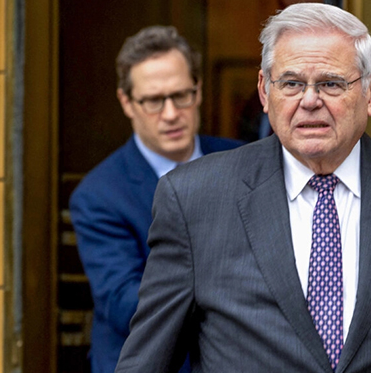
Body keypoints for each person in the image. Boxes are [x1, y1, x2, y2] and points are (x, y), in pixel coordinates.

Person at [115, 4, 371, 372]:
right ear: (265, 92)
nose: (310, 101)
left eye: (331, 83)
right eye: (292, 83)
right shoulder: (194, 199)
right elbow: (147, 361)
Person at [69, 25, 243, 373]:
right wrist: (234, 306)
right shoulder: (98, 195)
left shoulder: (244, 163)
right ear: (126, 102)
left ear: (199, 90)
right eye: (152, 100)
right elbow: (125, 303)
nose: (170, 114)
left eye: (181, 95)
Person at [237, 0, 324, 141]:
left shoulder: (346, 98)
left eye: (308, 15)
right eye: (285, 10)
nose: (292, 25)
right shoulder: (255, 104)